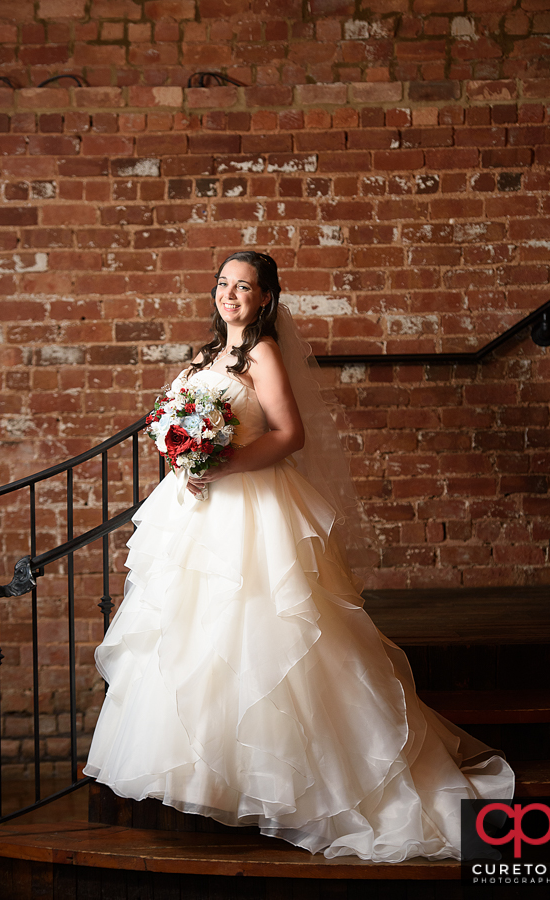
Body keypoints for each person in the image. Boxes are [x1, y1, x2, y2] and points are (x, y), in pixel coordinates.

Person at [84, 251, 514, 861]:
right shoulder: (206, 358)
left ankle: (297, 779)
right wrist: (185, 453)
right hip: (197, 508)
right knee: (192, 633)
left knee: (262, 624)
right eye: (224, 284)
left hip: (250, 509)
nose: (230, 294)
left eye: (244, 287)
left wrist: (221, 462)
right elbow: (183, 425)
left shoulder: (262, 354)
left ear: (266, 299)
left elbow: (289, 435)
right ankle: (207, 770)